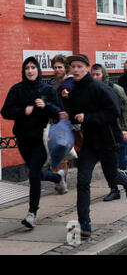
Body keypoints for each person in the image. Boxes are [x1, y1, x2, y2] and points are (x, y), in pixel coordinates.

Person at [64, 54, 127, 238]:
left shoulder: (99, 88)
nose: (76, 69)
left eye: (80, 66)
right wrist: (68, 115)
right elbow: (75, 114)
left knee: (112, 178)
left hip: (107, 140)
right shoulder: (74, 91)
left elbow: (114, 112)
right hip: (89, 142)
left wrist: (87, 117)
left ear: (86, 68)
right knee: (82, 180)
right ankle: (85, 224)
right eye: (73, 67)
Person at [1, 57, 67, 229]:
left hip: (42, 139)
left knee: (33, 175)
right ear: (23, 71)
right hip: (23, 138)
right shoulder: (17, 89)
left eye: (33, 67)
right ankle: (57, 177)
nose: (30, 71)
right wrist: (23, 110)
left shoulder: (46, 89)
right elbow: (5, 111)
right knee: (35, 172)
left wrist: (45, 105)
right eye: (27, 68)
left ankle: (32, 214)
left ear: (38, 70)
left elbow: (59, 112)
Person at [91, 64, 127, 202]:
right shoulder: (92, 90)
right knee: (110, 164)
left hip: (117, 131)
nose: (95, 77)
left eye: (98, 74)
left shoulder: (115, 89)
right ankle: (114, 190)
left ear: (104, 75)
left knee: (118, 162)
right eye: (93, 75)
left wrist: (125, 129)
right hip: (102, 134)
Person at [50, 54, 75, 194]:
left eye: (60, 67)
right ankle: (61, 180)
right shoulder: (52, 84)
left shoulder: (72, 83)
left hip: (73, 123)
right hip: (56, 122)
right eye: (55, 67)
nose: (57, 69)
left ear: (66, 68)